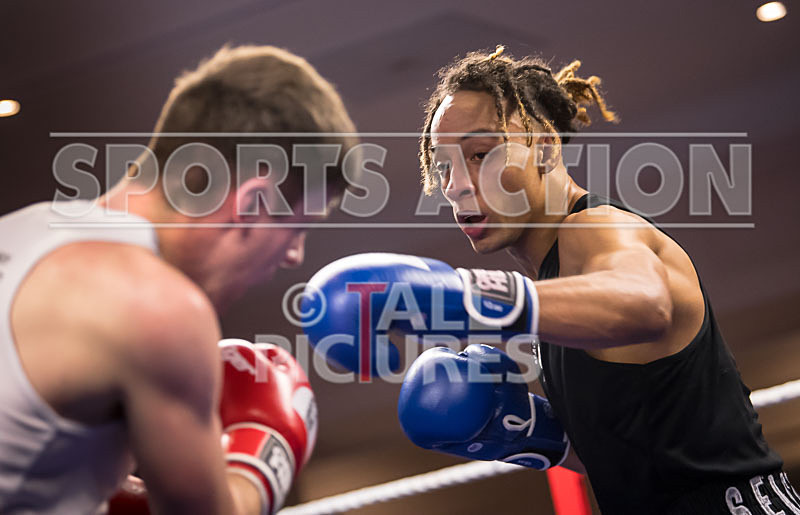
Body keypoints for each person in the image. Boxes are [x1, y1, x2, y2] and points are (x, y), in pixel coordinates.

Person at [302, 47, 800, 513]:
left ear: (543, 146)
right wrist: (529, 434)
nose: (457, 186)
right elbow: (640, 460)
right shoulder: (557, 298)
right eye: (443, 165)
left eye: (480, 154)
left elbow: (646, 302)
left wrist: (461, 296)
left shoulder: (596, 229)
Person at [0, 45, 358, 514]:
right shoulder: (158, 308)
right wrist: (265, 450)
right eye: (297, 227)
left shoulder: (21, 229)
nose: (295, 255)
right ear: (253, 202)